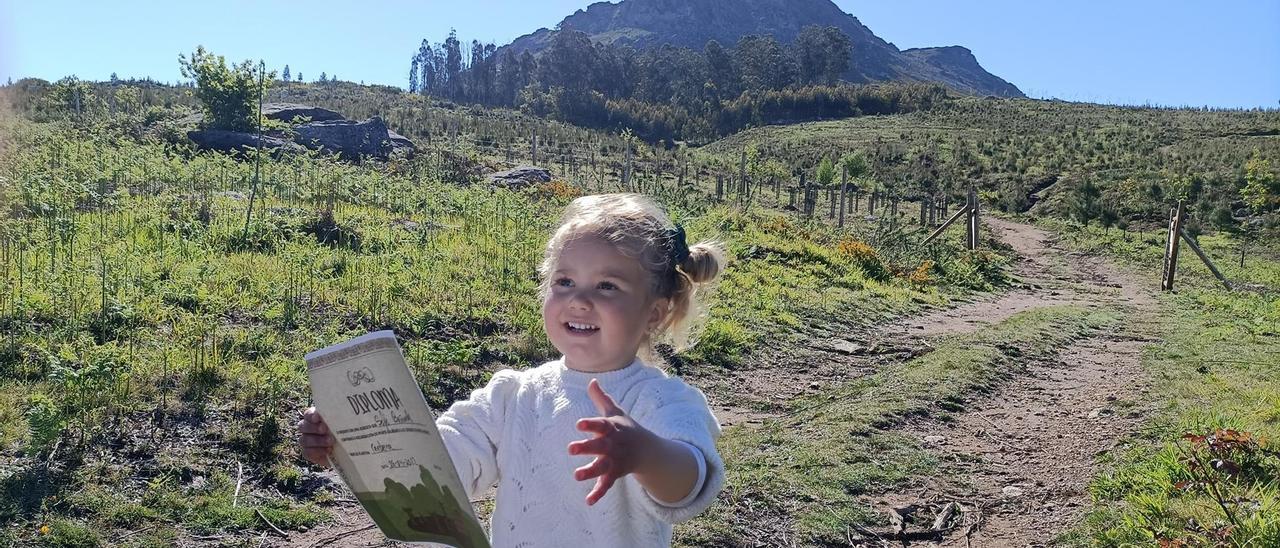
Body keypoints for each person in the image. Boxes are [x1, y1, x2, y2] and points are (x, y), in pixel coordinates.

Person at [299, 193, 726, 546]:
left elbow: (693, 485)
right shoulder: (515, 394)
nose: (580, 299)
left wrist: (645, 454)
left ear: (653, 313)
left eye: (607, 286)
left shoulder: (660, 400)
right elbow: (445, 461)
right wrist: (351, 442)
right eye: (564, 282)